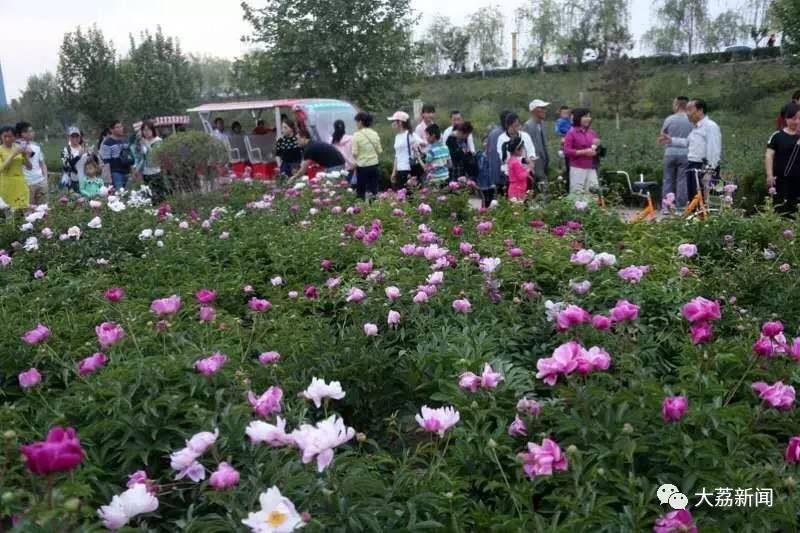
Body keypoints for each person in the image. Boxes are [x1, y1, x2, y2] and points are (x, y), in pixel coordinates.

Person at [658, 98, 722, 202]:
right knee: (693, 198)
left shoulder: (710, 126)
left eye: (690, 110)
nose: (687, 113)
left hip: (703, 167)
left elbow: (714, 150)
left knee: (705, 199)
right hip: (692, 166)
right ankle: (695, 217)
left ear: (700, 110)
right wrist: (671, 140)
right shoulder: (696, 128)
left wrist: (710, 171)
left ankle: (704, 217)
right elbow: (687, 142)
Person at [766, 101, 800, 214]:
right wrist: (769, 175)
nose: (797, 121)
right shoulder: (777, 136)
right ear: (786, 119)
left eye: (799, 118)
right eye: (793, 118)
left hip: (798, 180)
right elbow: (769, 155)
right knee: (780, 209)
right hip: (781, 180)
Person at [660, 96, 693, 211]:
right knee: (682, 181)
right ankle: (680, 207)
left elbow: (662, 135)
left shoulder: (669, 119)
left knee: (668, 180)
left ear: (677, 105)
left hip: (670, 153)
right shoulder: (690, 119)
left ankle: (666, 207)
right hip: (685, 153)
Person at [563, 108, 600, 195]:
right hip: (578, 168)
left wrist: (596, 150)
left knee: (593, 191)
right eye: (585, 116)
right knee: (577, 193)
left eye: (589, 116)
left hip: (591, 167)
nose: (588, 118)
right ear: (578, 118)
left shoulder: (592, 133)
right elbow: (567, 151)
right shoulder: (571, 133)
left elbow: (596, 148)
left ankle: (592, 208)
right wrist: (583, 152)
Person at [351, 111, 382, 200]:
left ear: (360, 122)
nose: (356, 124)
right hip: (374, 166)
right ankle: (374, 210)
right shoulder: (375, 134)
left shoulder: (356, 135)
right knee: (374, 190)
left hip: (362, 167)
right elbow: (379, 150)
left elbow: (354, 153)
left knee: (360, 192)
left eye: (356, 122)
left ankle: (361, 211)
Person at [496, 113, 536, 183]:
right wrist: (523, 160)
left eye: (517, 126)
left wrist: (531, 159)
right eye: (513, 126)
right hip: (512, 175)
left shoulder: (525, 136)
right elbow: (505, 158)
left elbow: (531, 149)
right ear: (507, 126)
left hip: (527, 171)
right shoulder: (502, 139)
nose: (516, 129)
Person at [0, 125, 32, 209]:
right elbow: (1, 168)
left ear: (15, 137)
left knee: (22, 210)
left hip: (20, 184)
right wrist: (13, 154)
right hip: (6, 184)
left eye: (10, 136)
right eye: (5, 136)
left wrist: (25, 156)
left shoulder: (19, 148)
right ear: (1, 137)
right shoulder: (1, 150)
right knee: (7, 211)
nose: (7, 139)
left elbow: (29, 167)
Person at [15, 122, 48, 205]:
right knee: (29, 212)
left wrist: (45, 180)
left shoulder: (36, 146)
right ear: (22, 134)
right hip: (27, 184)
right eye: (29, 131)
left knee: (43, 209)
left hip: (40, 182)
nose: (33, 133)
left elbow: (42, 164)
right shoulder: (15, 148)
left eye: (32, 131)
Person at [388, 111, 422, 189]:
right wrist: (394, 172)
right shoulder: (397, 136)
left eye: (394, 121)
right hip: (400, 169)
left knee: (410, 194)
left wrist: (417, 144)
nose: (392, 123)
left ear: (400, 122)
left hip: (408, 169)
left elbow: (423, 142)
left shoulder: (409, 134)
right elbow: (397, 155)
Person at [522, 99, 550, 187]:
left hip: (544, 163)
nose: (545, 110)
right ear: (534, 110)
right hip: (535, 166)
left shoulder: (542, 124)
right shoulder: (528, 126)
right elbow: (526, 147)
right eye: (542, 108)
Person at [137, 121, 166, 203]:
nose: (146, 132)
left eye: (148, 130)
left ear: (153, 130)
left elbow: (154, 154)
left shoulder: (158, 141)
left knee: (158, 195)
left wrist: (146, 143)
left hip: (156, 171)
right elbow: (142, 157)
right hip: (146, 172)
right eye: (144, 130)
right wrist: (137, 169)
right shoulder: (142, 141)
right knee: (148, 196)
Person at [100, 120, 133, 190]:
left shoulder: (125, 141)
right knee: (119, 193)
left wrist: (132, 172)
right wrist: (109, 179)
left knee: (129, 193)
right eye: (117, 127)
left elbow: (130, 157)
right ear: (111, 130)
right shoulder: (107, 143)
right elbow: (106, 162)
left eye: (121, 126)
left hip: (127, 172)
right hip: (116, 173)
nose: (120, 129)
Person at [487, 111, 511, 196]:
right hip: (505, 175)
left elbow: (487, 153)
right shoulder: (507, 135)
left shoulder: (492, 133)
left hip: (494, 175)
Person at [61, 127, 88, 193]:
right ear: (69, 137)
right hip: (70, 180)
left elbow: (91, 165)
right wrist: (78, 156)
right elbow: (66, 166)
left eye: (77, 136)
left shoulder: (84, 149)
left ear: (80, 137)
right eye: (72, 136)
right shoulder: (65, 150)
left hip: (84, 180)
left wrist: (92, 156)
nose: (75, 138)